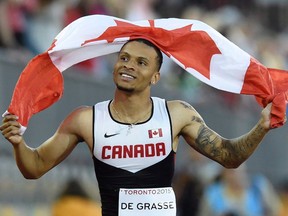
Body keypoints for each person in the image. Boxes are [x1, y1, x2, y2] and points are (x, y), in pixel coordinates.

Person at [0, 38, 277, 216]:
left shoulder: (176, 114)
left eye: (141, 62)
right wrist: (17, 143)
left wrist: (261, 127)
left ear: (156, 76)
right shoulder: (86, 119)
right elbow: (34, 168)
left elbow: (229, 156)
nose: (128, 65)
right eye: (124, 58)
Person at [196, 164, 280, 216]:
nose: (236, 175)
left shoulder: (258, 186)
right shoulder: (213, 193)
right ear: (224, 173)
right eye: (231, 171)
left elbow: (276, 210)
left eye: (238, 169)